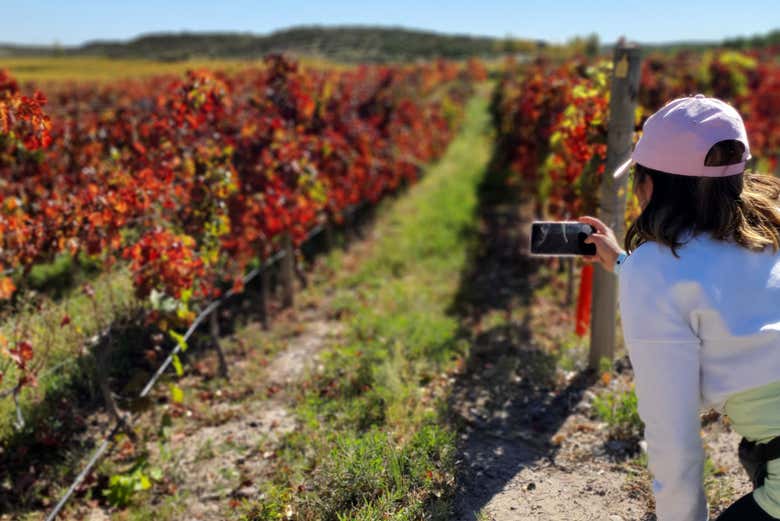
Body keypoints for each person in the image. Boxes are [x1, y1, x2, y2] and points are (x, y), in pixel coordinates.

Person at [578, 94, 780, 521]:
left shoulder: (657, 271)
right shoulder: (770, 229)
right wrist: (622, 264)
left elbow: (674, 440)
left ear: (651, 185)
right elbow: (714, 282)